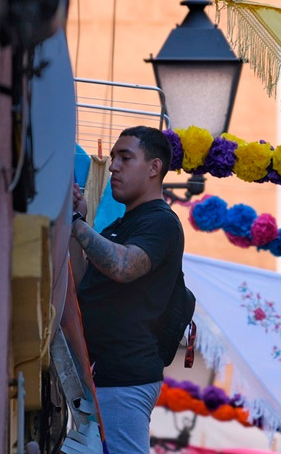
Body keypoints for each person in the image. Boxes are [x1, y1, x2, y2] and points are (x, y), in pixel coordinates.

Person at [70, 125, 185, 454]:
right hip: (101, 376)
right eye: (112, 158)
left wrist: (78, 226)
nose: (113, 166)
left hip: (125, 379)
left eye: (125, 158)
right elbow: (82, 288)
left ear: (154, 168)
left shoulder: (161, 222)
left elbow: (123, 267)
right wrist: (75, 223)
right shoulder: (117, 225)